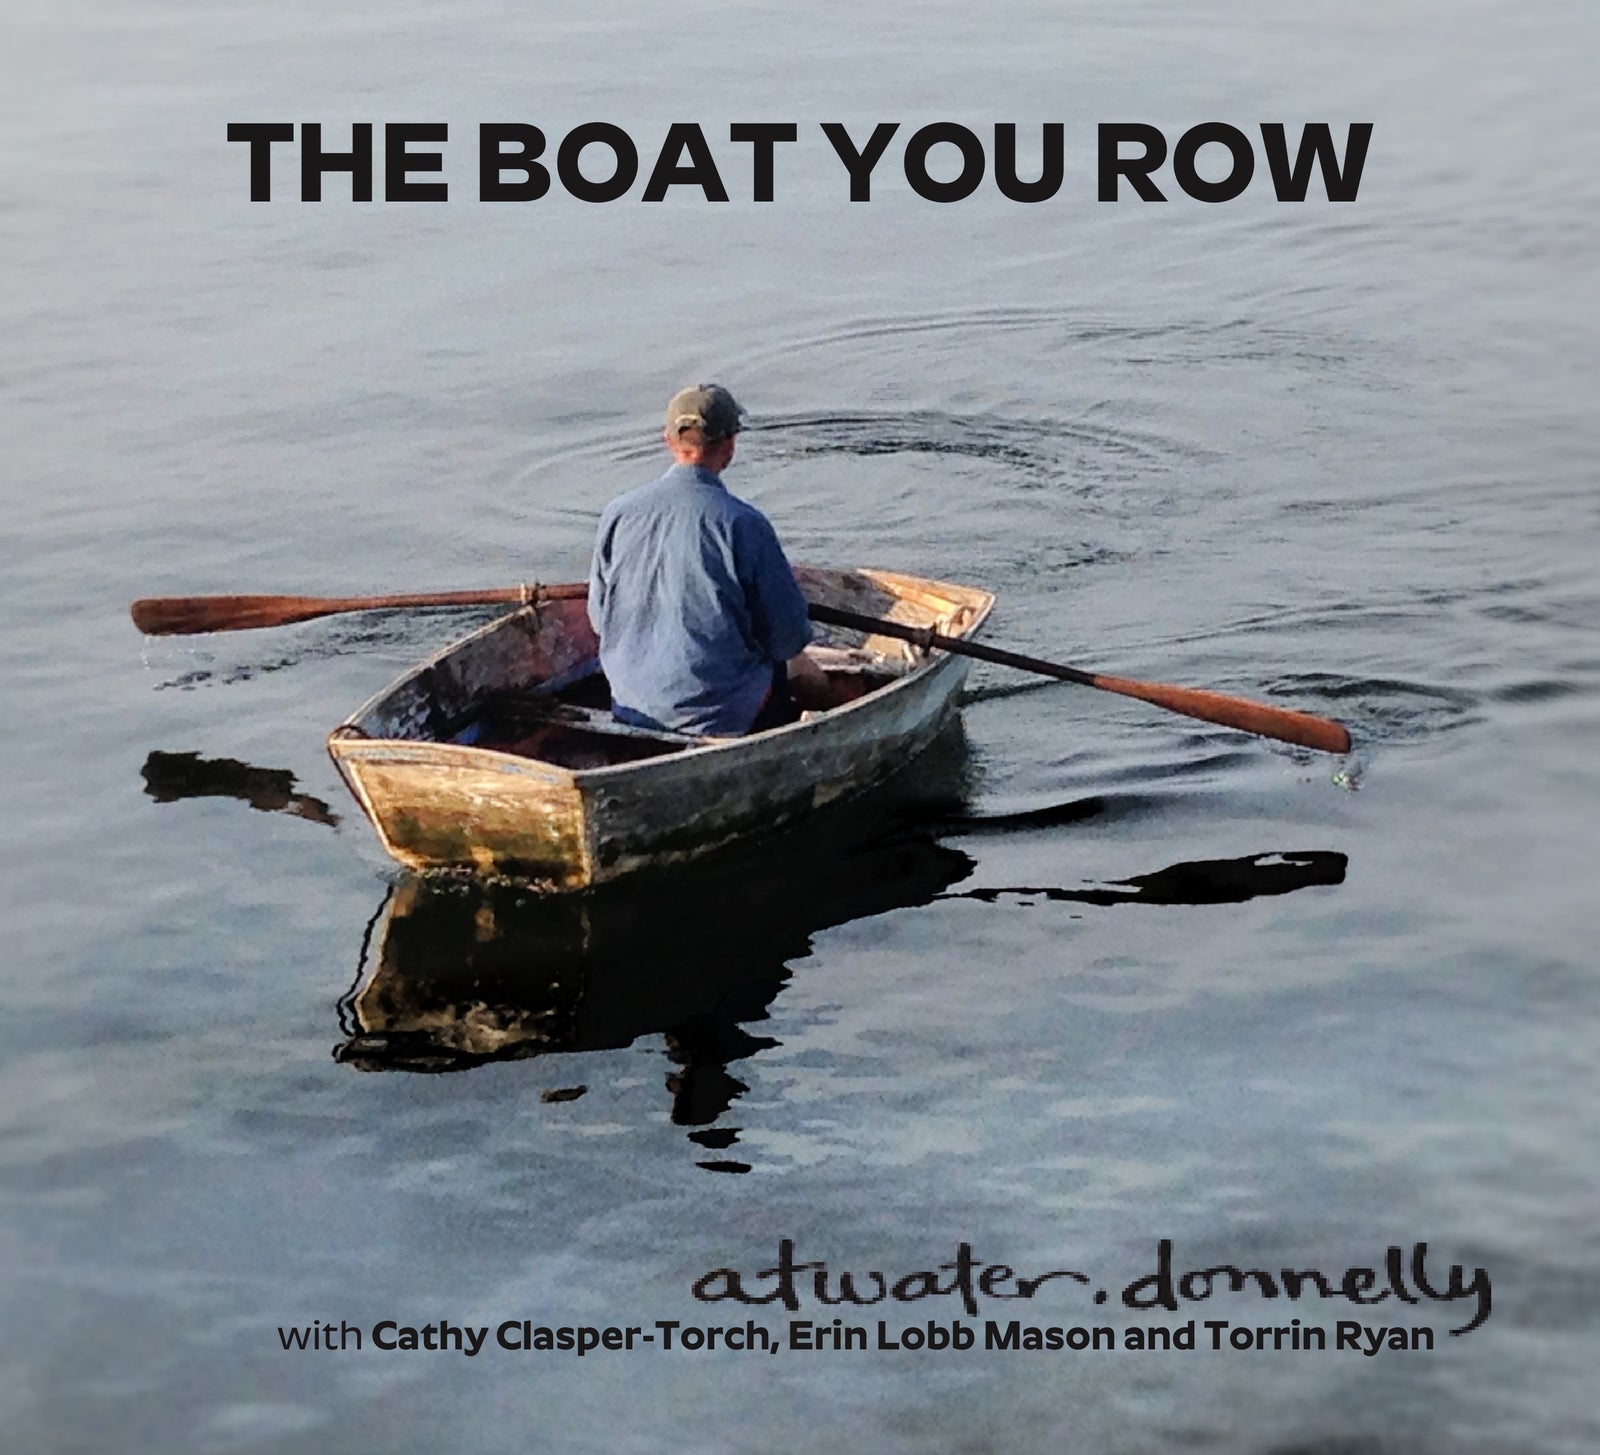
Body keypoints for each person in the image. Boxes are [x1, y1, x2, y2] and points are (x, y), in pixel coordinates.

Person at [587, 384, 829, 736]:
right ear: (730, 444)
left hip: (631, 706)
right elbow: (788, 636)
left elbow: (599, 618)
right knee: (806, 676)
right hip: (723, 716)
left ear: (667, 441)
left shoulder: (618, 513)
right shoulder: (745, 524)